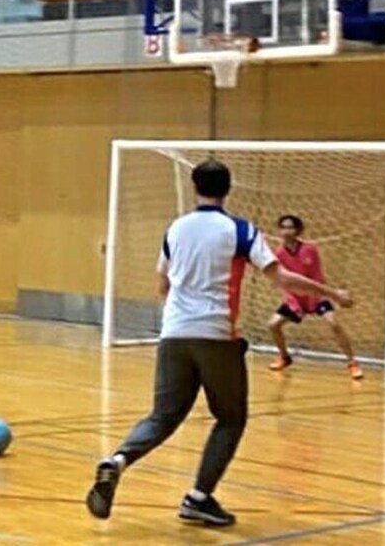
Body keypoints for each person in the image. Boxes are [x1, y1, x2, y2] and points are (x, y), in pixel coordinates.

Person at [85, 159, 353, 526]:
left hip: (173, 333)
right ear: (228, 189)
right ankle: (198, 497)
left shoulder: (176, 228)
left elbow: (162, 286)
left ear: (195, 186)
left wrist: (182, 318)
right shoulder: (240, 230)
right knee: (230, 417)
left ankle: (117, 461)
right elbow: (285, 280)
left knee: (163, 416)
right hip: (215, 334)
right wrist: (331, 293)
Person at [268, 214, 363, 380]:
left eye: (290, 227)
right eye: (283, 227)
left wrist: (315, 299)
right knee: (273, 325)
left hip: (316, 296)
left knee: (333, 323)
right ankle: (284, 356)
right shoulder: (279, 254)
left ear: (298, 230)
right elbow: (283, 283)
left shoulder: (309, 249)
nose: (286, 231)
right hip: (296, 298)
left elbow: (317, 276)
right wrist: (294, 303)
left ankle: (352, 363)